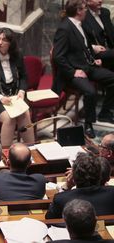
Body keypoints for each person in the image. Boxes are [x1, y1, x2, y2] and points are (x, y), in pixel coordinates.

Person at [52, 0, 114, 138]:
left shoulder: (79, 25)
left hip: (87, 66)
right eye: (84, 9)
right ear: (78, 11)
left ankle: (105, 112)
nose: (86, 11)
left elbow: (84, 47)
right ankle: (88, 124)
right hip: (73, 72)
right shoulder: (65, 28)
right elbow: (58, 56)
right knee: (90, 91)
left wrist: (93, 59)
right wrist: (73, 71)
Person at [0, 28, 35, 146]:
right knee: (9, 118)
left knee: (24, 114)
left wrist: (21, 91)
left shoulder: (17, 56)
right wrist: (0, 98)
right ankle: (6, 153)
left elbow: (24, 77)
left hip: (14, 96)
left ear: (10, 43)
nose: (0, 42)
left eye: (4, 40)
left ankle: (31, 148)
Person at [46, 153, 114, 219]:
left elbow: (49, 219)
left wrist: (67, 187)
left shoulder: (61, 199)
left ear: (73, 177)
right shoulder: (112, 193)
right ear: (99, 175)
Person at [82, 0, 114, 71]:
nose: (100, 0)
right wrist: (93, 47)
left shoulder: (105, 12)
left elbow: (111, 33)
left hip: (110, 49)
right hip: (96, 52)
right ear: (87, 1)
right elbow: (78, 38)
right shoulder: (83, 15)